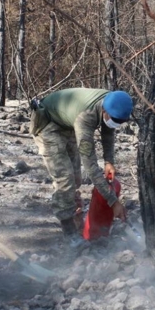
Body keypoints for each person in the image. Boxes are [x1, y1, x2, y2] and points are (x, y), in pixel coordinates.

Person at [31, 88, 131, 244]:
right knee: (65, 179)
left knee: (76, 180)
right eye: (114, 120)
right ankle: (69, 232)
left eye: (120, 122)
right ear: (104, 110)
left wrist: (108, 161)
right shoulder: (86, 117)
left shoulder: (112, 101)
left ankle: (78, 223)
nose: (116, 124)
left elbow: (108, 131)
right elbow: (90, 166)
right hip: (48, 125)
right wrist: (113, 201)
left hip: (66, 123)